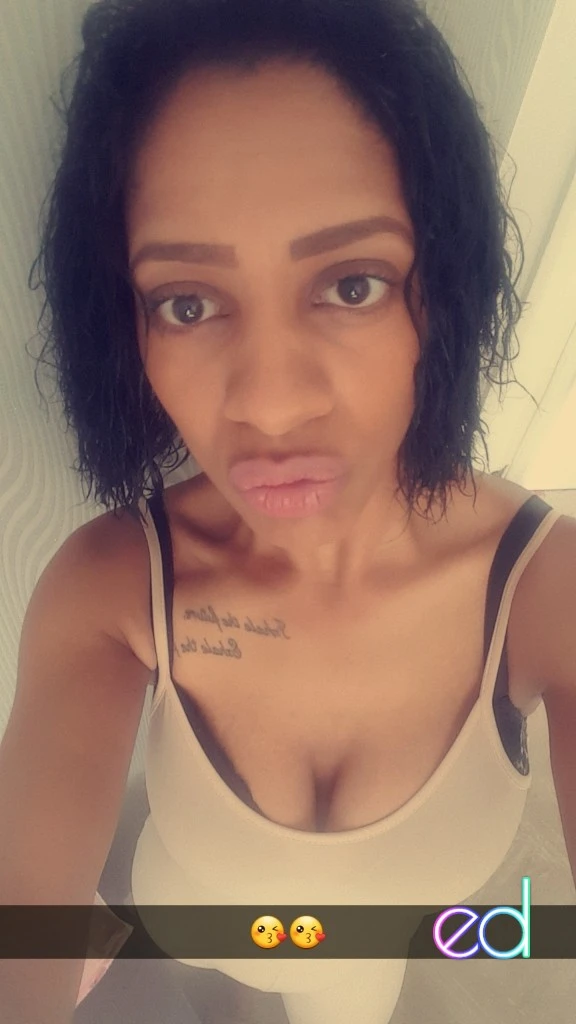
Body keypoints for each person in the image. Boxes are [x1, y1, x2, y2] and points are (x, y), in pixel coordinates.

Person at [1, 0, 569, 1022]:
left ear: (443, 287)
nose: (268, 405)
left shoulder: (544, 592)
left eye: (351, 284)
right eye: (186, 303)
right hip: (185, 910)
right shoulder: (110, 586)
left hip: (361, 967)